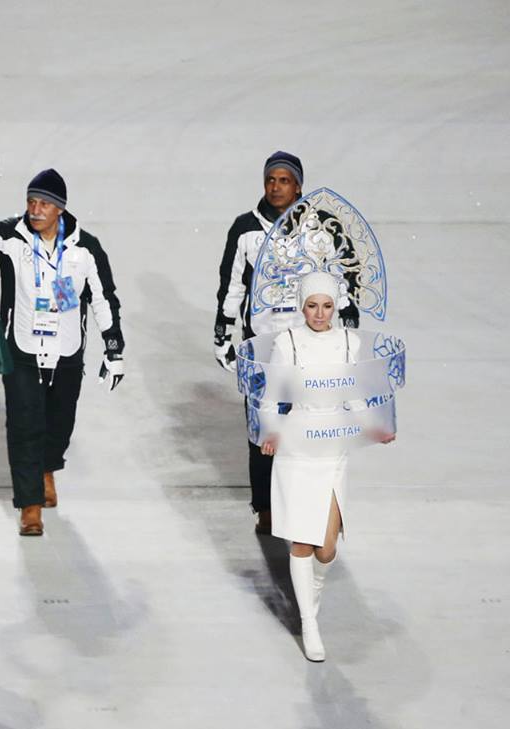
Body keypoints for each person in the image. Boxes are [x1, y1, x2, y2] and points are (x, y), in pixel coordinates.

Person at [0, 154, 125, 536]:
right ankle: (30, 504)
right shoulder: (12, 237)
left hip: (67, 353)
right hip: (20, 350)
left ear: (60, 209)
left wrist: (113, 349)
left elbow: (103, 297)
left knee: (59, 424)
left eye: (44, 204)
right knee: (23, 426)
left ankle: (47, 467)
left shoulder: (86, 248)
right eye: (31, 202)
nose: (35, 211)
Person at [259, 272, 394, 661]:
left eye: (327, 305)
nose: (319, 314)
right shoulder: (287, 343)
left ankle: (312, 592)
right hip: (297, 447)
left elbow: (353, 395)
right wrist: (271, 433)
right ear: (302, 306)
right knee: (302, 540)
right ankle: (309, 622)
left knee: (326, 547)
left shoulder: (350, 342)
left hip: (333, 447)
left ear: (337, 306)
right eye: (312, 305)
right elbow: (271, 398)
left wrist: (376, 427)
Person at [214, 151, 306, 534]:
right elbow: (232, 283)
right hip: (260, 343)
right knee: (261, 425)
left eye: (284, 180)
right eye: (271, 180)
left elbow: (336, 275)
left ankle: (298, 500)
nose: (276, 187)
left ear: (298, 186)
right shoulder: (245, 229)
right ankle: (265, 507)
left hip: (306, 344)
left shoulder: (317, 228)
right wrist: (224, 328)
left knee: (302, 423)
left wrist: (347, 319)